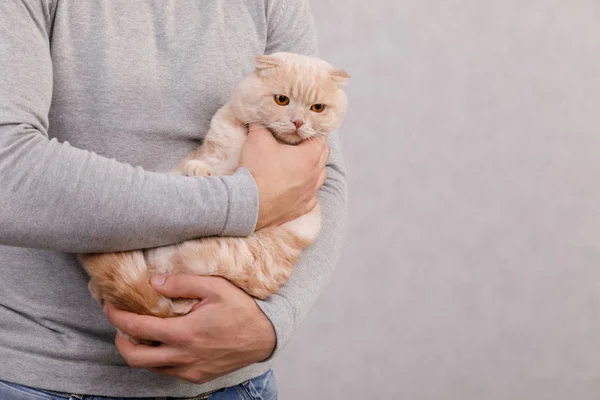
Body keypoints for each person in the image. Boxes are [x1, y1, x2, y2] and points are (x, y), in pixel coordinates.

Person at [0, 1, 347, 399]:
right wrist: (243, 202)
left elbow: (324, 174)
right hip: (42, 377)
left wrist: (272, 320)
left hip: (236, 383)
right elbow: (7, 169)